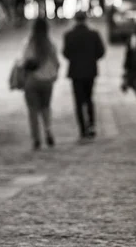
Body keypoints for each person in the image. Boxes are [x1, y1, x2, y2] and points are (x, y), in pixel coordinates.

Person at [62, 11, 105, 142]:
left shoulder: (69, 35)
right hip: (90, 71)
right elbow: (101, 51)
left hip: (76, 72)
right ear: (85, 19)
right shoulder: (93, 34)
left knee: (78, 101)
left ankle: (82, 129)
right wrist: (91, 59)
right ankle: (91, 125)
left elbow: (66, 53)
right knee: (89, 98)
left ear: (75, 20)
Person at [21, 17, 60, 150]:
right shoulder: (50, 45)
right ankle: (48, 130)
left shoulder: (29, 44)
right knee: (46, 107)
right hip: (47, 81)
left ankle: (36, 138)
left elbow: (25, 61)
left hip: (32, 80)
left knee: (33, 111)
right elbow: (56, 63)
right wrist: (54, 75)